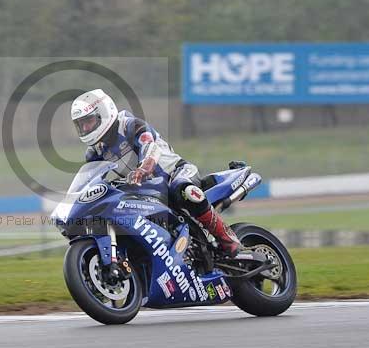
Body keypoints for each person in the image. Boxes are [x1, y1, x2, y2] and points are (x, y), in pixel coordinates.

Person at [71, 88, 247, 258]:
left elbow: (150, 147)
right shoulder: (95, 152)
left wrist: (143, 169)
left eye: (89, 121)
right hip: (143, 189)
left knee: (184, 191)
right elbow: (90, 180)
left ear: (104, 113)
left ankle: (230, 241)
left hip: (175, 172)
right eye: (81, 125)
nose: (85, 128)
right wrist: (75, 201)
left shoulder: (130, 125)